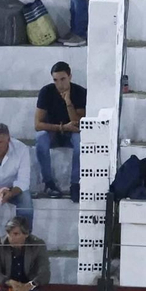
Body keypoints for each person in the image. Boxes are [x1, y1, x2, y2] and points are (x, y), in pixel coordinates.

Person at [34, 60, 85, 198]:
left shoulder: (80, 92)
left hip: (72, 134)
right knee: (40, 139)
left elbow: (77, 123)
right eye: (56, 80)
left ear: (70, 77)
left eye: (63, 79)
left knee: (81, 142)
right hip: (54, 132)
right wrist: (62, 127)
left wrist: (68, 102)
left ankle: (76, 184)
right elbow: (37, 124)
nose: (59, 84)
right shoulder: (47, 91)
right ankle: (48, 183)